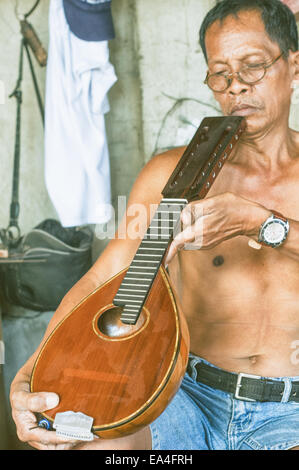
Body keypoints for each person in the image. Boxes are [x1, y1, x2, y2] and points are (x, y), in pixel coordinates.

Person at [9, 0, 299, 450]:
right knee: (88, 442)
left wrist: (261, 223)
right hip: (182, 394)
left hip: (289, 410)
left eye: (253, 66)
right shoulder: (177, 173)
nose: (236, 86)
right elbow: (103, 278)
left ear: (294, 65)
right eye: (219, 74)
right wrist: (32, 372)